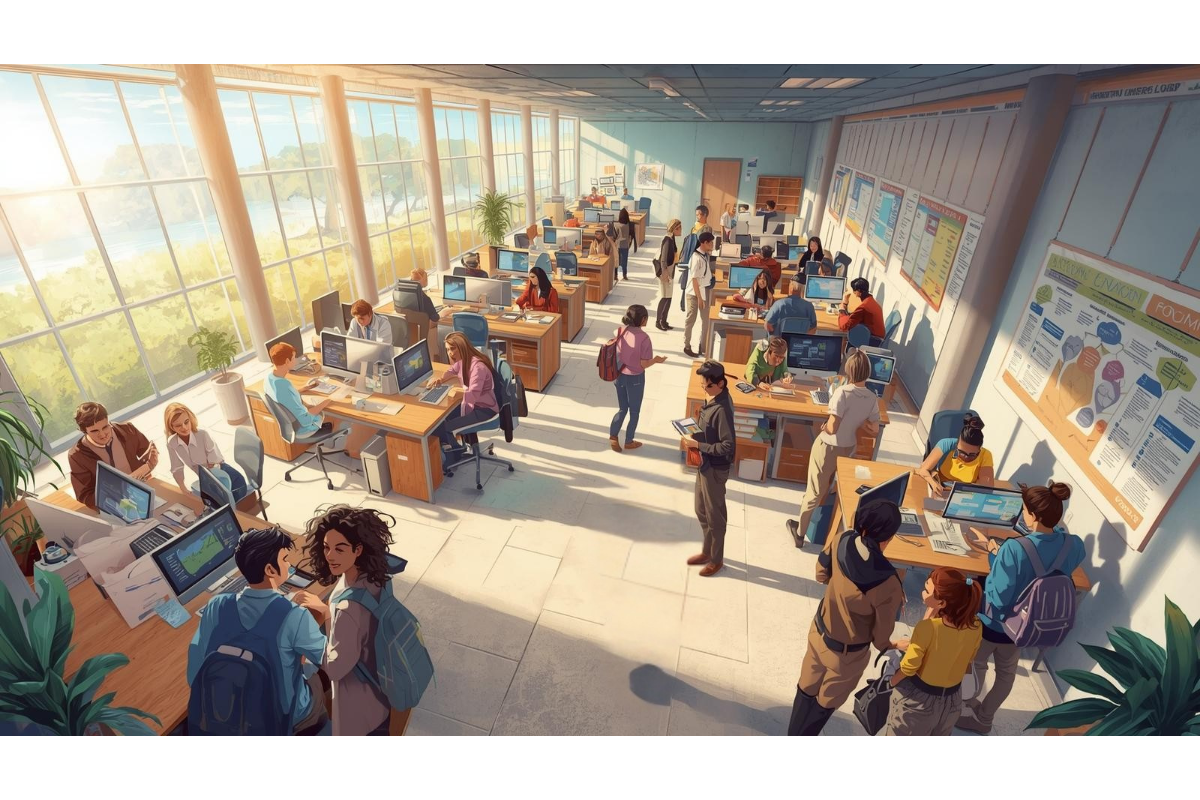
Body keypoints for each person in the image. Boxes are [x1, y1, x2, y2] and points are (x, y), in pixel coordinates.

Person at [956, 482, 1085, 735]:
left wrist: (996, 555)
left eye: (1025, 510)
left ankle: (965, 705)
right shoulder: (1074, 544)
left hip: (996, 624)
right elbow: (1059, 563)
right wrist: (1000, 549)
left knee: (977, 664)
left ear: (1033, 517)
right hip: (1027, 626)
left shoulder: (1014, 548)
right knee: (1006, 674)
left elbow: (998, 597)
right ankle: (985, 719)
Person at [187, 527, 329, 735]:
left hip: (224, 711)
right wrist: (326, 614)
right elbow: (333, 663)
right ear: (270, 570)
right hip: (284, 719)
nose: (289, 566)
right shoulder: (295, 616)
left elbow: (194, 674)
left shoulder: (216, 605)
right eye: (285, 560)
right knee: (316, 675)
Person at [788, 499, 905, 735]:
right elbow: (880, 637)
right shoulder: (889, 583)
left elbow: (821, 574)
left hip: (818, 633)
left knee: (805, 689)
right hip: (846, 657)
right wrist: (893, 645)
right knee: (824, 704)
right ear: (889, 537)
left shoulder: (842, 538)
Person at [298, 505, 409, 736]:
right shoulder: (378, 578)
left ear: (358, 550)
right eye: (327, 547)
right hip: (381, 692)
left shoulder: (347, 607)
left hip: (359, 711)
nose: (330, 556)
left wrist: (305, 640)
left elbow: (336, 668)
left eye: (340, 549)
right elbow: (357, 633)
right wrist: (328, 612)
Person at [786, 350, 881, 549]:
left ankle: (800, 534)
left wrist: (824, 426)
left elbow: (832, 427)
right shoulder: (872, 397)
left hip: (828, 447)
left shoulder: (842, 392)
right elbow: (873, 429)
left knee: (814, 491)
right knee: (837, 491)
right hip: (849, 449)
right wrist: (859, 421)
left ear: (849, 370)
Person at [882, 568, 983, 736]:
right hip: (952, 700)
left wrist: (890, 683)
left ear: (942, 603)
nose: (923, 592)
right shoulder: (976, 625)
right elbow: (968, 660)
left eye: (927, 590)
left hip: (919, 701)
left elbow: (909, 667)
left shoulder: (927, 628)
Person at [683, 361, 736, 577]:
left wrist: (699, 445)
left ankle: (716, 559)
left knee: (715, 516)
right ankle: (707, 551)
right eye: (702, 384)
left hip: (715, 468)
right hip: (704, 464)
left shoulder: (722, 409)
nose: (704, 388)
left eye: (707, 385)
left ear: (720, 384)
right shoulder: (713, 399)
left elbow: (727, 445)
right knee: (701, 509)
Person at [425, 331, 499, 470]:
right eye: (447, 349)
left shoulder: (478, 367)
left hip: (485, 410)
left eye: (453, 348)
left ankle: (455, 456)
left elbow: (473, 394)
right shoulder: (464, 360)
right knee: (441, 420)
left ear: (462, 347)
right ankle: (455, 448)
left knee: (447, 427)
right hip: (475, 404)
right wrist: (441, 379)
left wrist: (454, 393)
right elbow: (452, 370)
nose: (450, 353)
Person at [68, 402, 158, 510]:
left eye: (105, 427)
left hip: (143, 491)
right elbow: (85, 495)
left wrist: (149, 464)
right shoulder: (77, 456)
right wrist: (113, 498)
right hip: (113, 506)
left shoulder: (127, 430)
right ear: (84, 431)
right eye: (94, 431)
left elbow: (149, 453)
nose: (102, 434)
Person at [164, 402, 248, 508]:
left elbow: (214, 464)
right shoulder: (172, 442)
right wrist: (183, 488)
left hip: (227, 478)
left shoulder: (202, 435)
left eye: (186, 422)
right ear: (171, 427)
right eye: (178, 425)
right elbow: (177, 467)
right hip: (208, 480)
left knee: (217, 509)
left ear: (190, 419)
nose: (184, 427)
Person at [609, 305, 667, 453]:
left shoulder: (619, 331)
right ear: (643, 320)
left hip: (620, 375)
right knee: (634, 411)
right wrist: (656, 360)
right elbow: (644, 364)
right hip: (635, 378)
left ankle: (613, 436)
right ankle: (629, 441)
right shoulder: (645, 338)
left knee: (622, 408)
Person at [916, 413, 993, 497]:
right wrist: (933, 483)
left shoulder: (985, 455)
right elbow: (923, 470)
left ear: (979, 449)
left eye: (972, 455)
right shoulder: (945, 444)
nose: (965, 457)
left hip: (966, 494)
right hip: (941, 489)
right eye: (962, 452)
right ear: (957, 444)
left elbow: (987, 488)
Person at [682, 231, 715, 359]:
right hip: (694, 294)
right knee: (691, 319)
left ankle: (703, 347)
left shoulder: (705, 255)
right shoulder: (696, 258)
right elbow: (694, 280)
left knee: (705, 321)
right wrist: (700, 298)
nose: (712, 244)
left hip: (703, 291)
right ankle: (687, 346)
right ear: (704, 243)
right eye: (710, 242)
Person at [655, 219, 681, 331]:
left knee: (669, 297)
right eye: (679, 228)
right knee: (665, 297)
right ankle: (658, 321)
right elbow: (664, 259)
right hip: (666, 272)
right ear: (675, 229)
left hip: (670, 271)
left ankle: (664, 321)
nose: (681, 231)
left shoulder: (672, 239)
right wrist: (665, 274)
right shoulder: (667, 240)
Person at [613, 209, 634, 280]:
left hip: (618, 245)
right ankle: (624, 275)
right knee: (624, 261)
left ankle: (615, 275)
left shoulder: (617, 225)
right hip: (625, 245)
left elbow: (615, 235)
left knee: (616, 260)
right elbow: (631, 236)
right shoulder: (629, 225)